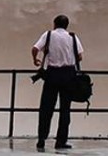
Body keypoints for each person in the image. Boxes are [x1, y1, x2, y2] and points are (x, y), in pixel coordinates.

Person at [31, 14, 84, 151]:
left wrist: (35, 60)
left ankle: (42, 139)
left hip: (52, 75)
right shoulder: (72, 37)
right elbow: (80, 56)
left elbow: (35, 49)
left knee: (46, 109)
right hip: (68, 76)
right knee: (65, 110)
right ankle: (61, 141)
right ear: (67, 25)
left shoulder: (48, 35)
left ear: (54, 24)